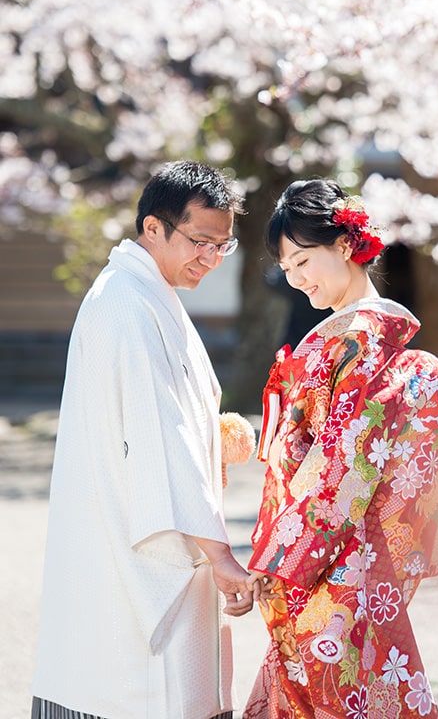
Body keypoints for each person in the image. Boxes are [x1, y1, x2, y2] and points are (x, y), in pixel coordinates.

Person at [31, 160, 259, 719]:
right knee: (140, 685)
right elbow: (163, 435)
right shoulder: (129, 304)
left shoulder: (142, 291)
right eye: (200, 241)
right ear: (153, 228)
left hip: (128, 521)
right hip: (137, 535)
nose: (209, 258)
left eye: (221, 246)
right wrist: (220, 553)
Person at [243, 178, 438, 719]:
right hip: (346, 549)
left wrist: (279, 558)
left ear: (344, 245)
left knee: (332, 689)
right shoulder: (352, 338)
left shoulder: (360, 341)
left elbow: (345, 465)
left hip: (331, 553)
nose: (296, 278)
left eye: (303, 260)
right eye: (287, 269)